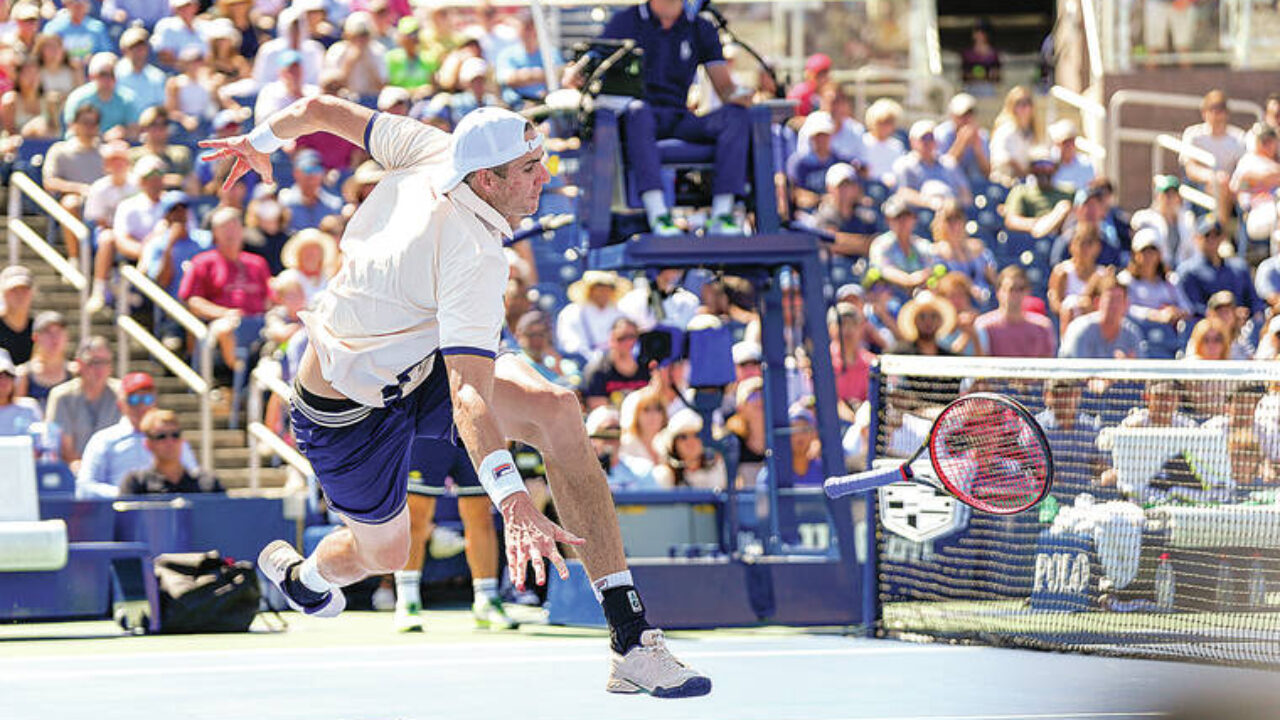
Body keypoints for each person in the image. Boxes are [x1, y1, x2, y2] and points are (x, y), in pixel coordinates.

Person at [201, 97, 710, 695]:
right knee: (387, 553)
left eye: (540, 159)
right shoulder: (473, 254)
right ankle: (305, 575)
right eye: (527, 169)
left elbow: (316, 108)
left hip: (422, 361)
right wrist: (514, 499)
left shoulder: (432, 148)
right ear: (486, 179)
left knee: (557, 410)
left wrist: (262, 140)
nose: (544, 176)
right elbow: (471, 396)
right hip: (345, 408)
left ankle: (630, 638)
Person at [564, 0, 752, 237]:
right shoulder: (626, 21)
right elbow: (589, 66)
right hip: (637, 119)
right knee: (638, 111)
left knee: (736, 116)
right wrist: (575, 74)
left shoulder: (700, 27)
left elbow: (725, 89)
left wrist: (744, 96)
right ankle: (658, 214)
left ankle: (723, 214)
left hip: (679, 117)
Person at [392, 439, 520, 633]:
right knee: (415, 516)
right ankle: (407, 602)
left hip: (473, 431)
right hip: (428, 428)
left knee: (481, 515)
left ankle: (487, 600)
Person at [77, 372, 200, 497]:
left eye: (148, 399)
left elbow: (193, 476)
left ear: (155, 402)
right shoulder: (104, 440)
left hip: (167, 508)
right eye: (134, 400)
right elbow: (85, 487)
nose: (142, 406)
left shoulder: (171, 437)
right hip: (118, 511)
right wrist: (127, 494)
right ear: (120, 404)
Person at [179, 207, 272, 371]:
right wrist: (223, 313)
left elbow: (270, 298)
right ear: (214, 233)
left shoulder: (257, 263)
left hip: (257, 322)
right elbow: (192, 301)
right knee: (225, 328)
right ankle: (238, 373)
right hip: (224, 322)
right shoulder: (203, 262)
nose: (231, 233)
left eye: (235, 227)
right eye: (224, 228)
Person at [47, 336, 120, 468]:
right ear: (79, 364)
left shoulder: (122, 394)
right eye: (93, 362)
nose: (100, 369)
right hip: (75, 470)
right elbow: (65, 449)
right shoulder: (62, 396)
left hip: (115, 469)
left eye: (105, 362)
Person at [1174, 214, 1262, 318]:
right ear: (1196, 238)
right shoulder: (1187, 270)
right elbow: (1194, 308)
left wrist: (1254, 316)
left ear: (1223, 237)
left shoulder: (1239, 267)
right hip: (1210, 330)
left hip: (1244, 327)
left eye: (1216, 234)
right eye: (1207, 235)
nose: (1212, 239)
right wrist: (1229, 316)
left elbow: (1254, 302)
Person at [119, 410, 223, 495]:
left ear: (182, 440)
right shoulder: (137, 484)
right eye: (161, 436)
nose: (170, 442)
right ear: (148, 444)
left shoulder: (208, 484)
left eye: (175, 435)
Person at [1033, 379, 1105, 501]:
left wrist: (1105, 477)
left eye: (1068, 393)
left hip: (1087, 496)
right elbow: (1036, 470)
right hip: (1049, 497)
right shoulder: (1035, 428)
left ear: (1077, 394)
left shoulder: (1091, 426)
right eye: (1057, 394)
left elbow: (1100, 465)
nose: (1063, 398)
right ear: (1047, 396)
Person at [1180, 90, 1245, 216]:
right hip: (1201, 185)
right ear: (1204, 113)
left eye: (1220, 109)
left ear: (1227, 113)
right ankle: (1222, 230)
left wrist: (1228, 183)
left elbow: (1242, 170)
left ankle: (1219, 229)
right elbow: (1190, 168)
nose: (1216, 114)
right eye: (1212, 109)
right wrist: (1213, 177)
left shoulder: (1239, 138)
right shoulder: (1193, 134)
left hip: (1231, 187)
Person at [1059, 270, 1144, 359]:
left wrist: (1128, 365)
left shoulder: (1132, 334)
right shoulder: (1081, 330)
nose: (1115, 305)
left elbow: (1141, 368)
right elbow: (1077, 369)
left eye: (1119, 300)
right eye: (1110, 300)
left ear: (1126, 305)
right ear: (1097, 303)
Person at [976, 266, 1057, 358]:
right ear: (998, 292)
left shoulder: (1043, 328)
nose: (1015, 294)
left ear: (1028, 292)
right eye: (1010, 289)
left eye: (1020, 289)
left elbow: (1046, 365)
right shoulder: (983, 326)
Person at [1119, 229, 1190, 329]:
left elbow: (1187, 308)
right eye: (1144, 251)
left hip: (1168, 336)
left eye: (1153, 250)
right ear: (1135, 254)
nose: (1149, 256)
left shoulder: (1171, 280)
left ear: (1160, 254)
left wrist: (1175, 312)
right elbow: (1124, 308)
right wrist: (1153, 315)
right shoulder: (1125, 280)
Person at [893, 119, 972, 209]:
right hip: (919, 212)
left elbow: (965, 194)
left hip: (950, 213)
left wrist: (952, 204)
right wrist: (929, 202)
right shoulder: (904, 164)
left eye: (931, 138)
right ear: (912, 141)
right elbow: (903, 192)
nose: (927, 142)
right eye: (923, 138)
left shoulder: (949, 163)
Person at [867, 196, 936, 299]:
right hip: (892, 296)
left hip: (920, 294)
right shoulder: (881, 244)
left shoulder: (922, 245)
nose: (902, 222)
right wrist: (910, 280)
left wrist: (917, 279)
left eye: (907, 217)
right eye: (897, 218)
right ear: (888, 221)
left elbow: (931, 268)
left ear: (914, 219)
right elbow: (884, 270)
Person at [930, 198, 995, 301]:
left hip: (982, 301)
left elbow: (994, 280)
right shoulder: (935, 253)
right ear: (940, 223)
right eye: (949, 219)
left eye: (957, 218)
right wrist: (968, 286)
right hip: (952, 303)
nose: (954, 224)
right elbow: (936, 285)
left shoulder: (978, 248)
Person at [556, 270, 627, 363]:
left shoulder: (620, 313)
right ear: (589, 290)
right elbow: (570, 344)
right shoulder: (571, 312)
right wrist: (595, 359)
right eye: (598, 288)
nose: (603, 292)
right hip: (581, 364)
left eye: (608, 288)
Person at [808, 163, 878, 257]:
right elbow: (830, 242)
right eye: (840, 186)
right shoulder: (823, 216)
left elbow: (877, 244)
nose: (844, 190)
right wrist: (864, 243)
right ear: (829, 188)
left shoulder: (865, 217)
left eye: (848, 185)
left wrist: (844, 241)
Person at [1000, 148, 1073, 238]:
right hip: (1031, 242)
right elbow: (1011, 221)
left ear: (1055, 168)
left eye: (1047, 165)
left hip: (1061, 240)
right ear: (1031, 169)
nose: (1043, 170)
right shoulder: (1021, 191)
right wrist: (1045, 223)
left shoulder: (1068, 192)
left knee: (1064, 206)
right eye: (1038, 165)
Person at [62, 53, 136, 140]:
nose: (107, 79)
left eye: (112, 74)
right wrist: (101, 137)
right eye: (103, 74)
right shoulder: (78, 98)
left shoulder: (127, 99)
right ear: (91, 76)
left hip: (117, 148)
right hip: (84, 147)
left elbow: (134, 131)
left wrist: (124, 133)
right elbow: (71, 130)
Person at [1130, 174, 1197, 268]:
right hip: (1157, 271)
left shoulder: (1188, 219)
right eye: (1166, 194)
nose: (1169, 198)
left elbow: (1193, 250)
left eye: (1173, 194)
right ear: (1159, 197)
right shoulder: (1146, 218)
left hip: (1182, 269)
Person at [1047, 223, 1105, 332]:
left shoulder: (1102, 274)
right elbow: (1055, 304)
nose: (1084, 248)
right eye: (1080, 242)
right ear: (1071, 246)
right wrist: (1075, 309)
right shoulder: (1062, 271)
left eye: (1089, 243)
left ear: (1098, 247)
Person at [583, 317, 649, 409]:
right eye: (621, 338)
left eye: (632, 337)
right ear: (611, 340)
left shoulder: (649, 368)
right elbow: (598, 410)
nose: (629, 343)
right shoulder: (598, 371)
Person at [653, 408, 726, 490]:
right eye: (683, 437)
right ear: (673, 444)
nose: (691, 442)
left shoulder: (719, 473)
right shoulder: (664, 477)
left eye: (697, 435)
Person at [1230, 123, 1280, 244]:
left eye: (1269, 140)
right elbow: (1237, 186)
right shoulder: (1249, 160)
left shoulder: (1276, 161)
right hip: (1257, 212)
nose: (1266, 144)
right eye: (1263, 140)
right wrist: (1262, 179)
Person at [587, 406, 655, 490]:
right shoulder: (583, 473)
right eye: (608, 429)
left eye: (617, 429)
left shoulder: (642, 469)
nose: (613, 434)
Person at [496, 14, 555, 109]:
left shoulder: (551, 53)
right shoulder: (506, 54)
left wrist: (524, 76)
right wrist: (544, 75)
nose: (529, 33)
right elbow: (508, 79)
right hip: (515, 106)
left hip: (545, 106)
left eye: (531, 28)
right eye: (525, 28)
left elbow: (559, 76)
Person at [934, 92, 991, 189]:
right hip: (949, 184)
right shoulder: (941, 133)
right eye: (962, 115)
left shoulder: (982, 135)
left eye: (970, 114)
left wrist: (978, 148)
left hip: (975, 183)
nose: (966, 119)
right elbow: (942, 170)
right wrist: (961, 143)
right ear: (952, 116)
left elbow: (987, 173)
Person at [15, 311, 70, 411]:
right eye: (48, 332)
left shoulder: (75, 373)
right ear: (35, 337)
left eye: (59, 331)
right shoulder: (24, 375)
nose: (54, 338)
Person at [279, 149, 343, 232]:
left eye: (317, 169)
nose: (312, 175)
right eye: (308, 169)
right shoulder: (283, 203)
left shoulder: (334, 205)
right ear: (296, 173)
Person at [616, 268, 700, 332]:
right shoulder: (632, 300)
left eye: (677, 269)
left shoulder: (689, 300)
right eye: (667, 268)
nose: (673, 274)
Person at [990, 86, 1040, 185]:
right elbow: (999, 157)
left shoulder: (1032, 132)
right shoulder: (1004, 129)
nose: (1025, 107)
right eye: (1020, 103)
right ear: (1012, 106)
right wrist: (1018, 167)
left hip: (1025, 182)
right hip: (1004, 182)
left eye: (1028, 102)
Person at [787, 111, 840, 197]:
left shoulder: (839, 161)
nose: (821, 139)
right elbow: (797, 194)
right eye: (818, 135)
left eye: (825, 135)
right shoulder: (799, 163)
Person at [618, 384, 666, 470]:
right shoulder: (625, 445)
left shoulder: (668, 443)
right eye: (646, 409)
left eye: (658, 409)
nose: (653, 415)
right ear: (635, 415)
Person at [861, 98, 906, 183]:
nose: (885, 126)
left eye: (889, 122)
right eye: (881, 122)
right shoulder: (863, 142)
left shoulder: (897, 146)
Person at [386, 16, 435, 89]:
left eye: (416, 35)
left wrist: (426, 89)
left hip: (423, 98)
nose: (413, 39)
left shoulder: (428, 58)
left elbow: (432, 85)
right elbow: (387, 85)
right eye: (409, 35)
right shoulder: (391, 58)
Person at [0, 349, 41, 437]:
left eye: (8, 375)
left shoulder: (29, 408)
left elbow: (42, 444)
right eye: (0, 376)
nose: (4, 381)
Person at [0, 265, 35, 365]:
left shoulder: (40, 329)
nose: (19, 295)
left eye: (24, 290)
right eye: (13, 290)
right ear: (3, 293)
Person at [1048, 120, 1095, 193]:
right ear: (1057, 144)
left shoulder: (1085, 165)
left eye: (1071, 141)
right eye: (1065, 143)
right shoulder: (1048, 165)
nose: (1069, 146)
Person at [785, 52, 830, 117]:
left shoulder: (827, 92)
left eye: (825, 74)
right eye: (820, 75)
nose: (825, 78)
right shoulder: (801, 92)